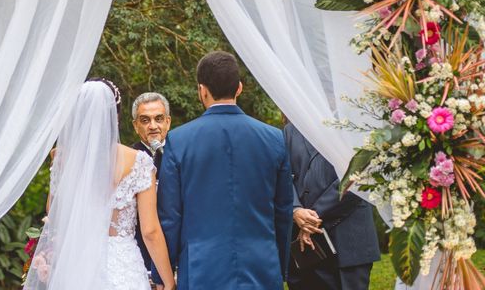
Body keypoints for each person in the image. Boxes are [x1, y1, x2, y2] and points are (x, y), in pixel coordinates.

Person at [153, 51, 294, 290]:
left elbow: (171, 216)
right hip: (262, 266)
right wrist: (280, 265)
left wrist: (165, 274)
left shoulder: (179, 140)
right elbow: (283, 211)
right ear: (239, 88)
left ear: (202, 90)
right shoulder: (273, 138)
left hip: (201, 270)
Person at [24, 80, 176, 290]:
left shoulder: (63, 158)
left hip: (77, 264)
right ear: (117, 116)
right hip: (123, 266)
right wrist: (168, 281)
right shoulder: (138, 161)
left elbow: (54, 213)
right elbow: (150, 231)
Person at [283, 122, 380, 290]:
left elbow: (359, 176)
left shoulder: (354, 123)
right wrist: (295, 209)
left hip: (348, 240)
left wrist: (312, 217)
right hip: (303, 243)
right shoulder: (290, 130)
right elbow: (281, 173)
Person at [131, 92, 172, 274]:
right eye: (145, 120)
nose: (153, 126)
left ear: (168, 122)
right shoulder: (127, 160)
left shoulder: (182, 156)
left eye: (159, 119)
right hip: (138, 252)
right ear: (135, 125)